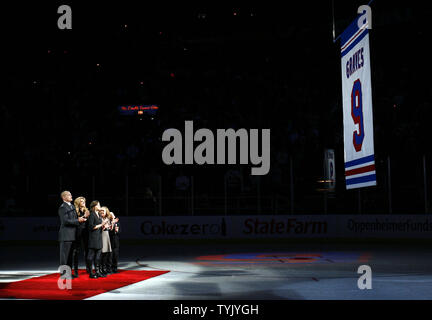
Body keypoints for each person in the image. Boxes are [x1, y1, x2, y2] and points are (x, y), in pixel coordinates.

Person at [58, 191, 86, 278]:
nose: (71, 196)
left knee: (70, 256)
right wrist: (78, 220)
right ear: (64, 198)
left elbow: (75, 219)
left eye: (70, 194)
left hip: (73, 235)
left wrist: (82, 218)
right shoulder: (63, 207)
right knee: (64, 256)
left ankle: (68, 274)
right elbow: (65, 221)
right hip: (66, 235)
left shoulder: (72, 206)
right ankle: (64, 274)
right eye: (69, 195)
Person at [87, 200, 107, 279]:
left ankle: (98, 272)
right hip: (93, 238)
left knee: (98, 257)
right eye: (98, 205)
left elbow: (98, 226)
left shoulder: (98, 214)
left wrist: (103, 226)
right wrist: (101, 224)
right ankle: (91, 272)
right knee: (90, 256)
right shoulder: (92, 215)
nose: (100, 206)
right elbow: (91, 227)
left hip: (99, 237)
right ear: (94, 206)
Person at [72, 196, 90, 277]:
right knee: (76, 251)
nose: (84, 202)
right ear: (78, 202)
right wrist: (84, 217)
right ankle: (75, 271)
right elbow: (75, 222)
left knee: (87, 251)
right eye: (82, 201)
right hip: (77, 232)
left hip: (86, 232)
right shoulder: (75, 211)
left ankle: (88, 268)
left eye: (84, 201)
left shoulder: (87, 211)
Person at [99, 207, 113, 276]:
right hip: (101, 236)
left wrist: (111, 225)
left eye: (103, 211)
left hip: (107, 236)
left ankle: (105, 268)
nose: (102, 213)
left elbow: (110, 228)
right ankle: (101, 268)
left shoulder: (107, 219)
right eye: (101, 211)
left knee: (107, 253)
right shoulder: (99, 218)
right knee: (102, 253)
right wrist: (103, 227)